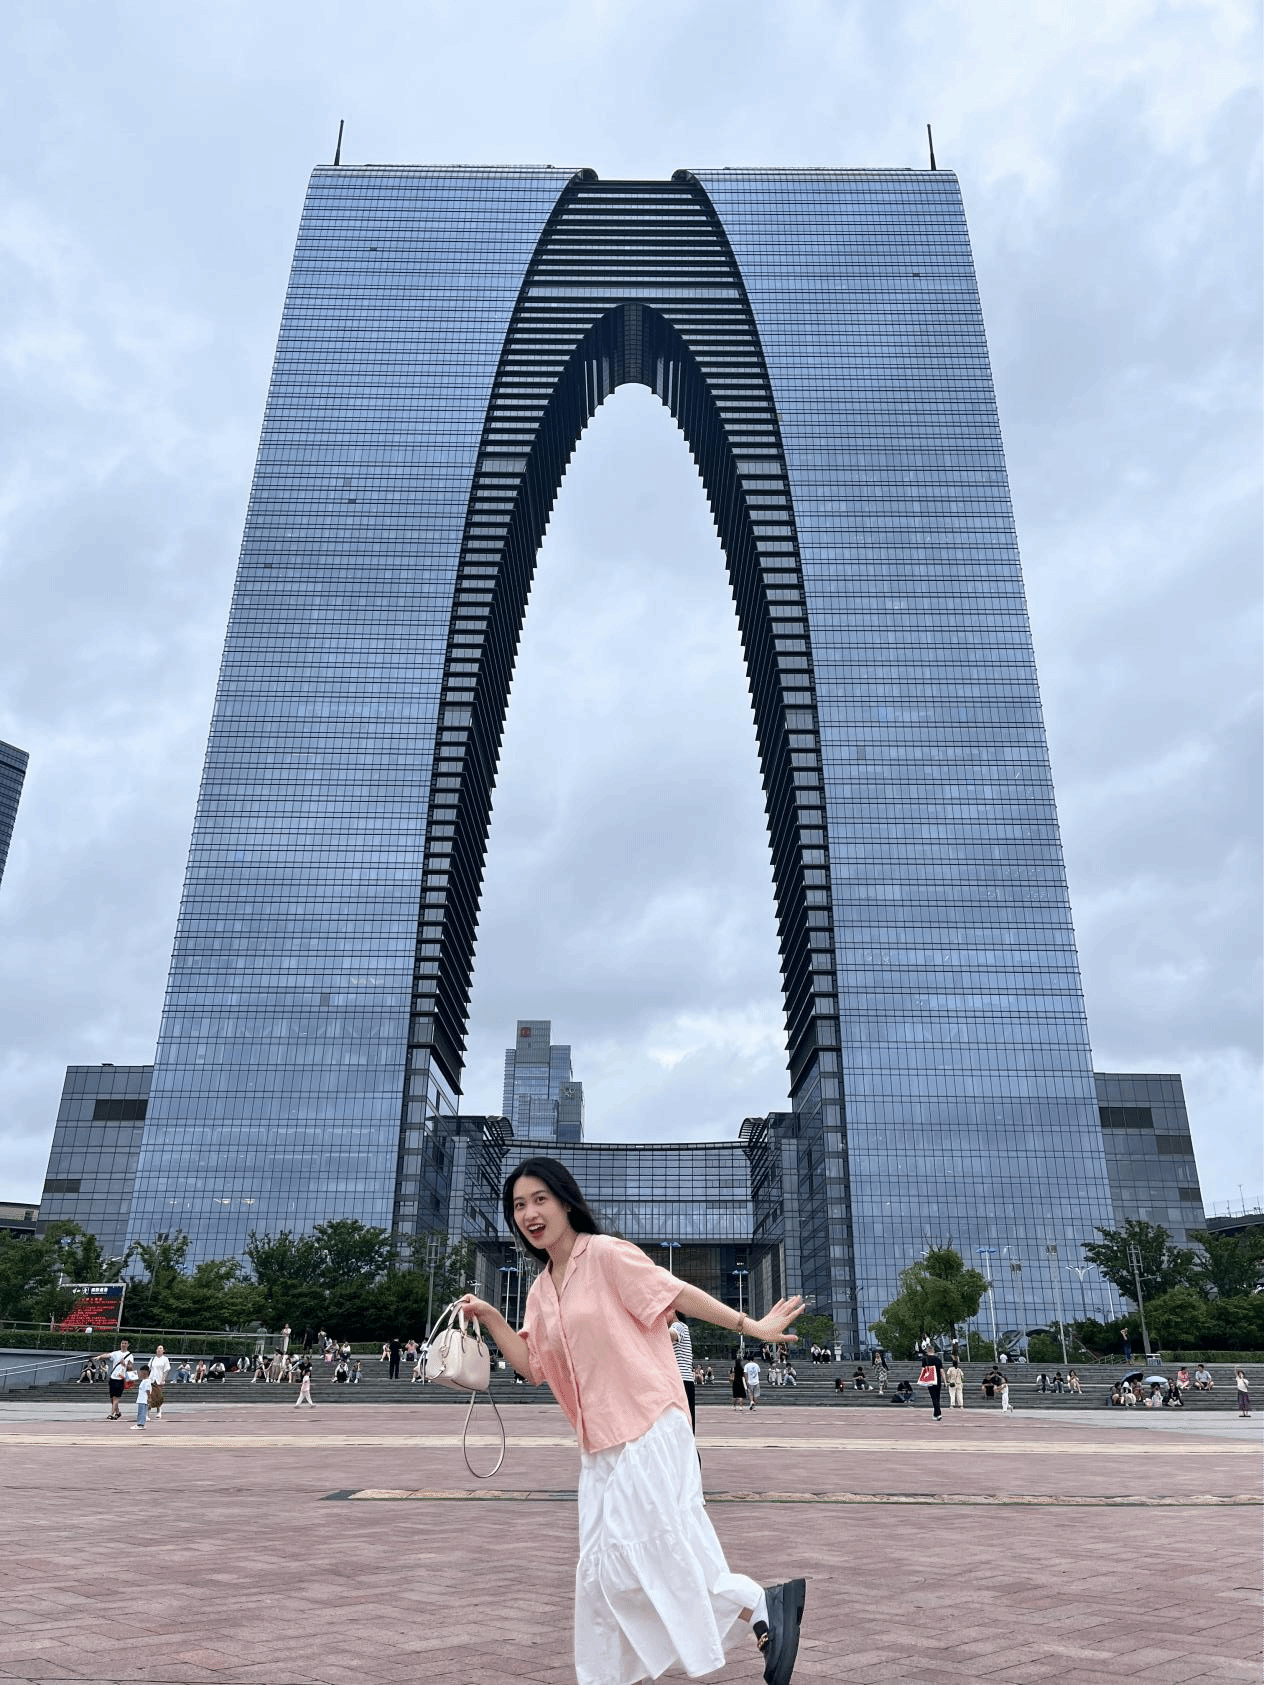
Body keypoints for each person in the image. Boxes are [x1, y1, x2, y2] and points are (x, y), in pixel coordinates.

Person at [457, 1156, 808, 1685]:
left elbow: (674, 1292)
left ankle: (757, 1603)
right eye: (519, 1206)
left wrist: (751, 1325)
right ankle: (619, 1672)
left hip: (649, 1423)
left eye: (539, 1200)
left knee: (638, 1548)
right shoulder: (540, 1291)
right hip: (598, 1445)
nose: (529, 1214)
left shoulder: (606, 1255)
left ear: (566, 1202)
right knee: (602, 1574)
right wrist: (489, 1316)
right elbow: (532, 1366)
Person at [668, 1310, 697, 1434]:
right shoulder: (682, 1326)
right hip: (684, 1380)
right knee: (686, 1420)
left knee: (682, 1421)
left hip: (681, 1380)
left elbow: (671, 1334)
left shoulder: (678, 1325)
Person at [102, 1339, 135, 1420]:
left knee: (116, 1397)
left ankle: (112, 1413)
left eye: (125, 1343)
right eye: (122, 1343)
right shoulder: (116, 1353)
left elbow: (131, 1367)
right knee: (112, 1397)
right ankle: (117, 1412)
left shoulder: (129, 1355)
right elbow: (108, 1355)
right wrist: (99, 1357)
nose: (123, 1345)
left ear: (128, 1345)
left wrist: (125, 1364)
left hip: (121, 1378)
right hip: (113, 1377)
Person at [147, 1343, 171, 1421]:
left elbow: (166, 1370)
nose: (159, 1350)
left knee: (158, 1396)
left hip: (159, 1379)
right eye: (158, 1348)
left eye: (161, 1348)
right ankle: (147, 1413)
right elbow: (149, 1368)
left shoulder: (165, 1359)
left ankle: (159, 1411)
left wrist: (163, 1379)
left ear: (163, 1351)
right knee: (149, 1395)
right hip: (151, 1379)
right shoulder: (153, 1359)